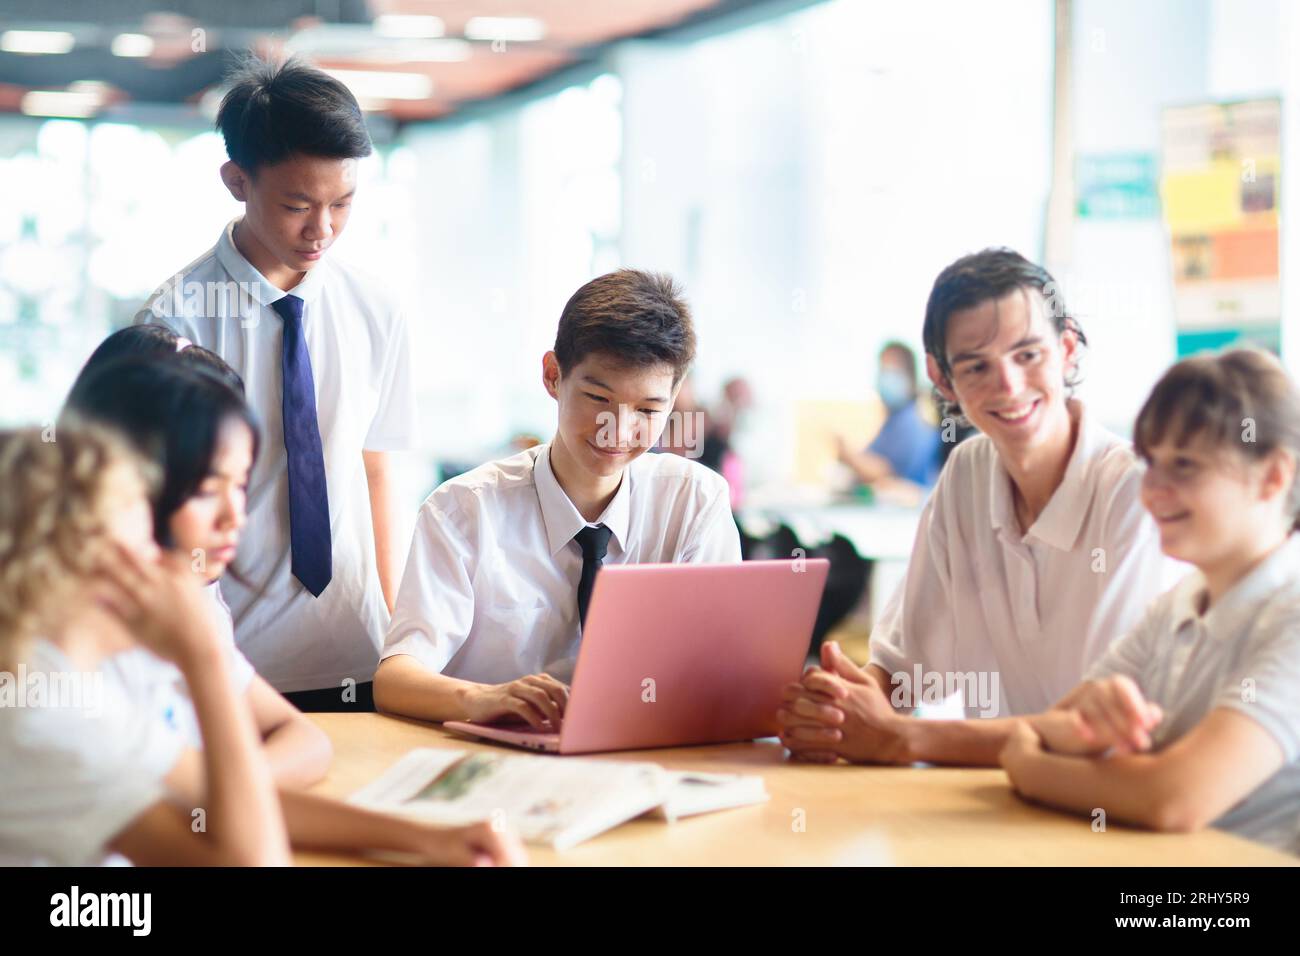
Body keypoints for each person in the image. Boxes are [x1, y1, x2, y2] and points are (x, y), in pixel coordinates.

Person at [0, 426, 524, 866]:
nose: (170, 563)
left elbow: (210, 799)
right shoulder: (48, 720)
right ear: (83, 567)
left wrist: (427, 838)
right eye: (146, 544)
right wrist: (203, 659)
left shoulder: (61, 678)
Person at [778, 248, 1174, 766]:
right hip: (1010, 804)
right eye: (976, 366)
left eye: (1028, 355)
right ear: (942, 380)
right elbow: (902, 676)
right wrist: (838, 708)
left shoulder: (1136, 491)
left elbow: (1099, 729)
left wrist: (899, 738)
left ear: (1068, 349)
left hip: (1118, 813)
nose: (1008, 385)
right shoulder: (966, 474)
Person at [134, 56, 416, 711]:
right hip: (231, 662)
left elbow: (376, 471)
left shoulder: (377, 307)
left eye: (342, 204)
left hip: (358, 653)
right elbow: (167, 506)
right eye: (297, 205)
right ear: (237, 180)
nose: (322, 230)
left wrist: (400, 630)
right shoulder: (176, 318)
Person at [374, 269, 742, 728]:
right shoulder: (465, 510)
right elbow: (396, 679)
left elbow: (718, 664)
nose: (619, 430)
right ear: (553, 376)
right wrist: (484, 699)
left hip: (640, 752)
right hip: (500, 763)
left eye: (648, 410)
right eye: (597, 398)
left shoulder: (694, 501)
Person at [1001, 350, 1300, 854]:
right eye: (1151, 463)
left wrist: (1030, 769)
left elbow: (1175, 798)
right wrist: (1066, 745)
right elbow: (1046, 728)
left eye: (1184, 466)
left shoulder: (1290, 614)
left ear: (1273, 476)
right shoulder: (1181, 601)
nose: (1153, 491)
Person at [65, 356, 332, 787]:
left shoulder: (184, 600)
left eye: (241, 485)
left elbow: (307, 740)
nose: (236, 517)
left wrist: (226, 791)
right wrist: (223, 794)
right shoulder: (77, 653)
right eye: (207, 490)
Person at [836, 341, 941, 497]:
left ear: (909, 377)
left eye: (891, 371)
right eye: (882, 371)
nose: (884, 379)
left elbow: (885, 473)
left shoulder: (912, 423)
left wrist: (849, 455)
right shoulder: (892, 422)